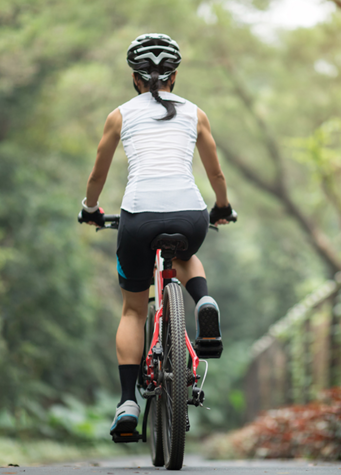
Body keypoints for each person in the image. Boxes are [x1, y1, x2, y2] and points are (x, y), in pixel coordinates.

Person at [78, 33, 235, 437]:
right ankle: (203, 300)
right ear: (175, 76)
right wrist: (221, 206)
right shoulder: (196, 114)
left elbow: (98, 174)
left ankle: (128, 402)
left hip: (138, 217)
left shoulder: (120, 115)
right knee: (184, 255)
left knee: (133, 309)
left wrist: (91, 209)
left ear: (135, 78)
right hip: (190, 213)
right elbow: (216, 173)